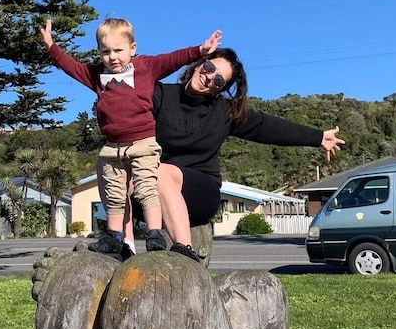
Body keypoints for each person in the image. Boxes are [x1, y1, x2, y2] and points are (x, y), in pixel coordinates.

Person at [122, 47, 344, 261]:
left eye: (218, 80)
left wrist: (318, 137)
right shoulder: (160, 95)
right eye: (209, 68)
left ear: (220, 89)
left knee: (160, 172)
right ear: (200, 64)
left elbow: (267, 127)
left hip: (198, 192)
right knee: (118, 174)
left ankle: (184, 253)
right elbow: (120, 101)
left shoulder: (224, 112)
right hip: (152, 194)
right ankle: (123, 246)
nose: (209, 78)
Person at [41, 17, 222, 257]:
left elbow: (173, 59)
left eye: (118, 50)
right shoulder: (98, 76)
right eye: (105, 52)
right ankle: (116, 237)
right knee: (115, 192)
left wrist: (199, 51)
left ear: (132, 49)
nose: (112, 57)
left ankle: (155, 233)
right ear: (99, 52)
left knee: (147, 187)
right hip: (112, 148)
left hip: (143, 144)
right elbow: (71, 66)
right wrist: (51, 46)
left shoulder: (145, 67)